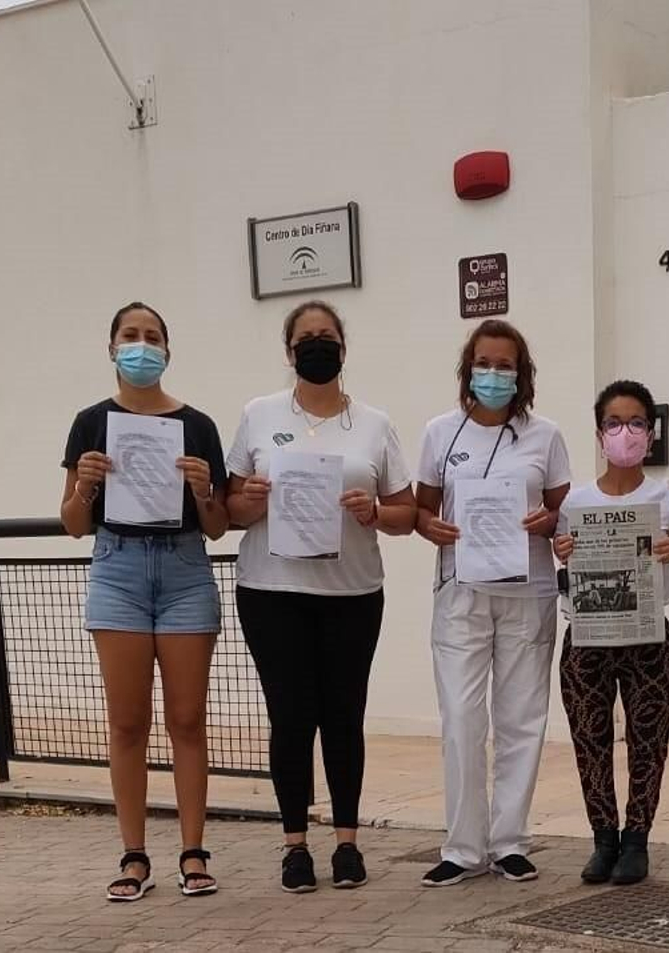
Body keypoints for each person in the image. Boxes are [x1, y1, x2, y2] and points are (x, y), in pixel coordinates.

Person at [225, 301, 418, 893]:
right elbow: (227, 510)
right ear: (289, 352)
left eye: (327, 336)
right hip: (272, 591)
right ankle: (293, 845)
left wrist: (376, 512)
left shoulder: (375, 424)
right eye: (305, 338)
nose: (317, 345)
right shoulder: (258, 415)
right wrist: (251, 500)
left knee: (343, 716)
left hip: (352, 593)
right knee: (290, 716)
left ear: (343, 347)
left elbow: (407, 512)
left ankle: (347, 841)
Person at [60, 302, 228, 902]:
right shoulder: (90, 422)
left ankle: (193, 852)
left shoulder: (198, 425)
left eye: (152, 337)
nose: (141, 346)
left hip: (185, 569)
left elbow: (217, 527)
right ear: (111, 348)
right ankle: (133, 854)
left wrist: (205, 491)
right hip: (118, 568)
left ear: (167, 351)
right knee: (128, 723)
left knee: (187, 720)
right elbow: (74, 524)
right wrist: (85, 485)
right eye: (130, 336)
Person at [414, 319, 571, 887]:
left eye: (505, 366)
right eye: (484, 363)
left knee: (521, 719)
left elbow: (562, 512)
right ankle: (461, 846)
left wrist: (547, 521)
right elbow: (420, 512)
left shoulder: (545, 436)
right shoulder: (440, 433)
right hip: (461, 592)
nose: (494, 374)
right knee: (460, 717)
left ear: (521, 374)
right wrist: (435, 529)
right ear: (467, 369)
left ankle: (509, 841)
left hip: (527, 593)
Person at [551, 380, 669, 886]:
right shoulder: (576, 500)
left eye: (636, 422)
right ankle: (603, 839)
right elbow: (561, 557)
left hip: (648, 636)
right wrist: (564, 551)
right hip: (588, 637)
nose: (625, 433)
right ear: (599, 434)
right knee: (590, 739)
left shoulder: (666, 496)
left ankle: (637, 840)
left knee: (647, 740)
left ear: (651, 434)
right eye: (614, 423)